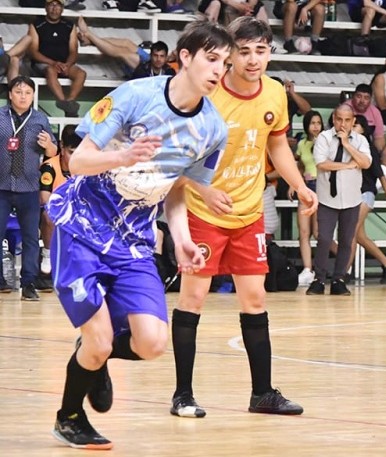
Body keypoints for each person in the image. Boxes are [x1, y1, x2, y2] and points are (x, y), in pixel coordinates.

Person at [48, 20, 233, 449]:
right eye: (211, 59)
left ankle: (94, 354)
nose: (218, 70)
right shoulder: (135, 96)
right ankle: (69, 417)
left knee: (151, 344)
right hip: (82, 227)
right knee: (97, 342)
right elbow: (76, 163)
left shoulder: (212, 130)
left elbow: (176, 189)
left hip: (133, 241)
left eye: (224, 63)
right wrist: (123, 156)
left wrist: (182, 237)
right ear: (184, 58)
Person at [171, 16, 317, 419]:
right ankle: (183, 394)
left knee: (255, 299)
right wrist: (204, 189)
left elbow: (277, 145)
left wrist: (301, 184)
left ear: (270, 51)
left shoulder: (273, 93)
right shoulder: (208, 95)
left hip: (248, 212)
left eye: (261, 50)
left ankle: (262, 394)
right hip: (203, 212)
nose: (253, 60)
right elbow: (177, 158)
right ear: (229, 53)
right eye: (244, 51)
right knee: (193, 299)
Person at [0, 76, 58, 299]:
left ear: (33, 95)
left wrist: (48, 145)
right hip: (2, 184)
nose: (23, 96)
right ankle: (1, 280)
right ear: (10, 94)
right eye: (18, 91)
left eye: (27, 92)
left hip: (29, 186)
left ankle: (29, 283)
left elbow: (53, 153)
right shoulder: (1, 116)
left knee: (31, 237)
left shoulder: (40, 118)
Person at [306, 103, 372, 296]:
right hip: (327, 197)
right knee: (324, 238)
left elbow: (366, 163)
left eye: (347, 120)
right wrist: (347, 166)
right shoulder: (324, 138)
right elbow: (321, 163)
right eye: (339, 119)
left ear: (353, 121)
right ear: (334, 119)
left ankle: (339, 279)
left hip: (352, 198)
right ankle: (319, 279)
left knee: (346, 240)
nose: (342, 124)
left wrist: (347, 145)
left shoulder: (360, 141)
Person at [346, 115, 386, 283]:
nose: (353, 127)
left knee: (351, 231)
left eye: (356, 125)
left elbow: (380, 174)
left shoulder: (368, 148)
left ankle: (344, 272)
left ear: (363, 128)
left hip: (366, 193)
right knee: (360, 236)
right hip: (353, 194)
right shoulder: (348, 147)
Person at [30, 0, 86, 117]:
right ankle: (63, 102)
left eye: (58, 5)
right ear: (46, 7)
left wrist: (68, 65)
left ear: (62, 8)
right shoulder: (36, 25)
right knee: (50, 71)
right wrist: (53, 63)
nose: (54, 9)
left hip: (64, 64)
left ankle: (69, 102)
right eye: (51, 5)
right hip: (44, 63)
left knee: (81, 74)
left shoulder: (69, 25)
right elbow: (33, 52)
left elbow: (73, 51)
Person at [76, 18, 176, 80]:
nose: (159, 58)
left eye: (161, 56)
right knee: (126, 43)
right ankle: (89, 40)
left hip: (148, 68)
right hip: (150, 64)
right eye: (156, 56)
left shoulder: (170, 72)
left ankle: (89, 36)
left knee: (122, 51)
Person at [39, 124, 78, 276]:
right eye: (71, 152)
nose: (75, 158)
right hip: (54, 211)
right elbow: (44, 198)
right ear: (62, 146)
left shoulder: (86, 167)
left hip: (78, 212)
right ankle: (47, 254)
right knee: (49, 215)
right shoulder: (49, 167)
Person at [292, 110, 324, 286]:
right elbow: (297, 163)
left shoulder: (326, 142)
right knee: (304, 232)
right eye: (312, 123)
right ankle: (307, 270)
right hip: (305, 189)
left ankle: (343, 261)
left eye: (318, 123)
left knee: (319, 233)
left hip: (321, 188)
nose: (316, 126)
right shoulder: (302, 144)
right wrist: (295, 183)